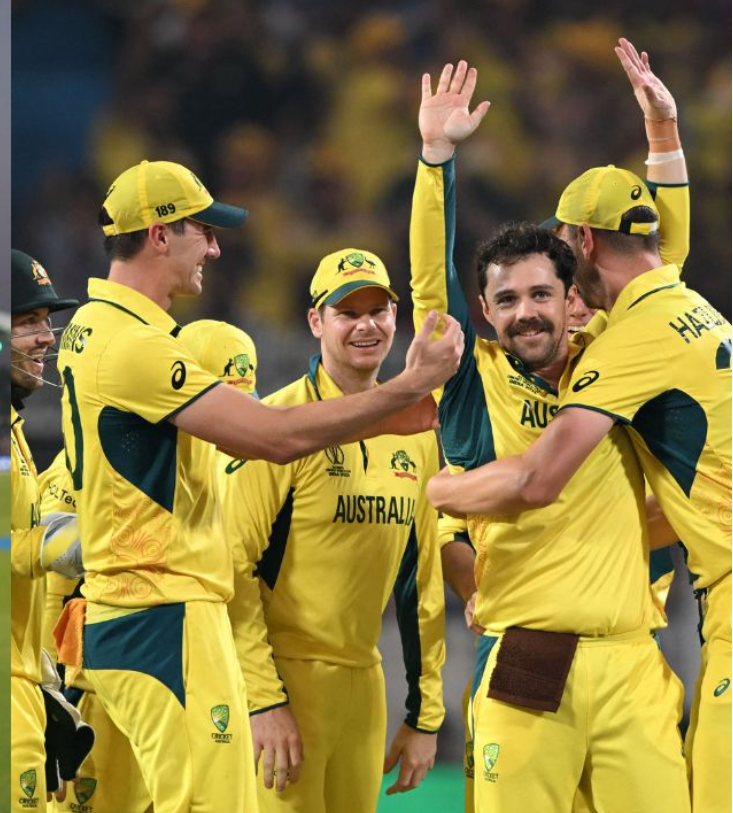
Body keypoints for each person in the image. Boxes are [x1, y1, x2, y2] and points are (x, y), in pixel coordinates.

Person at [53, 159, 462, 813]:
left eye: (378, 309)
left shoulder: (101, 330)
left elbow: (420, 575)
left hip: (152, 611)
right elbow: (272, 436)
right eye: (203, 231)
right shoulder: (135, 346)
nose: (214, 249)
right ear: (159, 234)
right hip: (162, 610)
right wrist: (408, 388)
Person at [428, 43, 730, 813]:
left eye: (546, 287)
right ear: (485, 311)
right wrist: (435, 164)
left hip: (634, 652)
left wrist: (446, 492)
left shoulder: (614, 349)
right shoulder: (477, 378)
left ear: (575, 279)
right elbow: (431, 290)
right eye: (508, 299)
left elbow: (535, 480)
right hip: (529, 653)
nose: (530, 307)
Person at [222, 249, 445, 813]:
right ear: (316, 322)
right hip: (284, 683)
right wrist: (263, 701)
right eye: (347, 313)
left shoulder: (416, 431)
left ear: (396, 318)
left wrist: (425, 715)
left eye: (378, 310)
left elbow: (421, 579)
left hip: (364, 683)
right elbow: (232, 570)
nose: (366, 326)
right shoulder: (277, 426)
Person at [43, 318, 259, 813]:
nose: (231, 418)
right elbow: (49, 580)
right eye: (222, 397)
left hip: (179, 662)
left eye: (243, 400)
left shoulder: (219, 465)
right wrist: (51, 692)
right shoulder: (100, 464)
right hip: (96, 686)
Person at [10, 249, 88, 812]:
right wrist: (47, 545)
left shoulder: (11, 425)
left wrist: (43, 685)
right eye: (27, 322)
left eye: (46, 321)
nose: (46, 337)